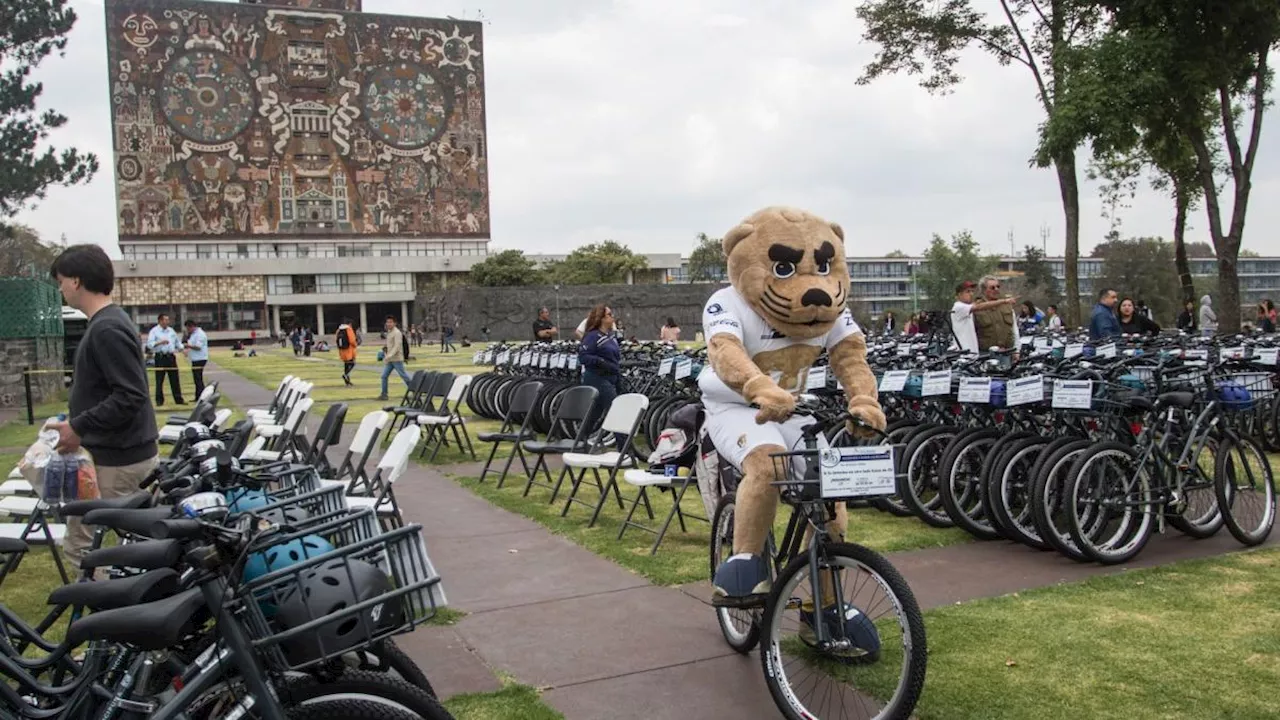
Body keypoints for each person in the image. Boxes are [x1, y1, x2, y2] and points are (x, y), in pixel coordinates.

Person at [47, 244, 158, 572]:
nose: (61, 288)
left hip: (118, 461)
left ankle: (109, 620)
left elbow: (130, 395)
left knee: (83, 547)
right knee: (118, 546)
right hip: (116, 455)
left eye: (62, 280)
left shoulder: (106, 327)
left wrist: (79, 426)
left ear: (77, 281)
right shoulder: (107, 322)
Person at [578, 304, 624, 446]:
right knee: (615, 410)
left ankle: (580, 441)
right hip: (597, 377)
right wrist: (600, 361)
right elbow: (583, 357)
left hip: (612, 376)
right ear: (601, 318)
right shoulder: (592, 336)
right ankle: (625, 448)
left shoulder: (610, 336)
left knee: (595, 413)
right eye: (609, 315)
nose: (612, 317)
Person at [951, 280, 1017, 354]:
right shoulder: (958, 307)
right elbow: (979, 306)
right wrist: (1004, 301)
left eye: (972, 291)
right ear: (959, 294)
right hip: (964, 352)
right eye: (968, 292)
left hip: (972, 352)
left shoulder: (968, 307)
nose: (971, 294)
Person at [973, 276, 1020, 351]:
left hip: (1006, 352)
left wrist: (1017, 350)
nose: (996, 289)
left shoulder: (1006, 305)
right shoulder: (976, 308)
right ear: (983, 290)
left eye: (998, 287)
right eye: (992, 288)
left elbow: (1014, 330)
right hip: (985, 354)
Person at [147, 313, 185, 406]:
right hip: (160, 357)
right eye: (165, 320)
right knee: (159, 379)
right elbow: (149, 344)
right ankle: (159, 401)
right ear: (160, 321)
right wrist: (160, 342)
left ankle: (178, 399)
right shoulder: (154, 331)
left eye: (168, 320)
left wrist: (182, 348)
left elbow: (177, 343)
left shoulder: (171, 331)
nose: (167, 322)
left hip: (171, 357)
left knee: (174, 379)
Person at [377, 315, 411, 400]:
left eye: (390, 322)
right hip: (390, 360)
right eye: (387, 322)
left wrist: (389, 355)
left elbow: (397, 346)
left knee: (404, 376)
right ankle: (384, 394)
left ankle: (416, 391)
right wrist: (384, 351)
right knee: (384, 376)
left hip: (397, 359)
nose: (388, 324)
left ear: (395, 323)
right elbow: (390, 345)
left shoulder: (397, 333)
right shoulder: (389, 332)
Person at [182, 319, 208, 399]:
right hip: (195, 359)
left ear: (192, 326)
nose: (187, 330)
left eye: (188, 328)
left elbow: (198, 347)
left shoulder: (200, 334)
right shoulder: (193, 334)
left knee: (198, 379)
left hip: (200, 359)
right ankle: (198, 396)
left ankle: (202, 396)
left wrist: (188, 346)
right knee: (196, 379)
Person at [336, 318, 358, 386]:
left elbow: (336, 339)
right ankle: (346, 375)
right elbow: (352, 340)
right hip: (349, 350)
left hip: (342, 350)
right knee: (352, 363)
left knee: (346, 365)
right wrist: (355, 345)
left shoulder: (339, 330)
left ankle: (347, 381)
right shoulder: (349, 329)